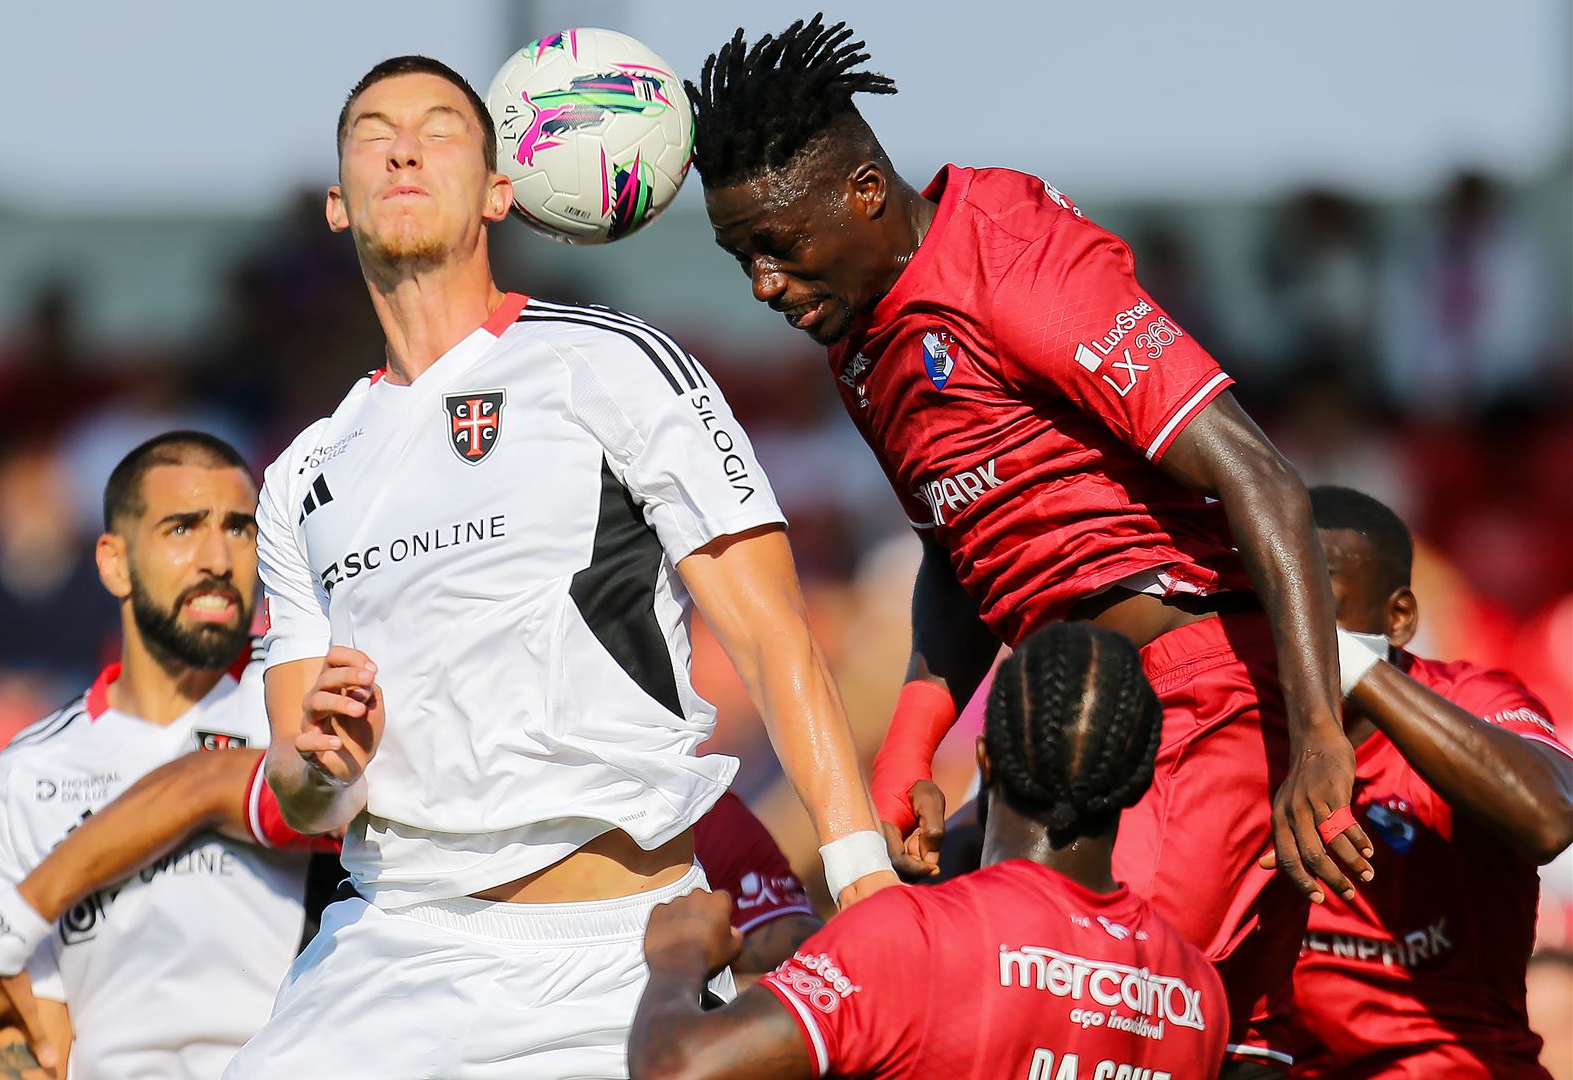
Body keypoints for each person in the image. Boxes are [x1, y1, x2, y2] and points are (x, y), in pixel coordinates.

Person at [684, 16, 1369, 1070]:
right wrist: (911, 743)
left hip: (1198, 701)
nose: (764, 285)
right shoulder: (860, 343)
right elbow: (958, 552)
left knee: (1059, 1003)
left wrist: (1321, 733)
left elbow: (1262, 478)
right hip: (1060, 739)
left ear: (864, 192)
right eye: (742, 261)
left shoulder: (1011, 255)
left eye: (779, 247)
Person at [224, 55, 897, 1078]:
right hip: (386, 949)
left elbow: (773, 639)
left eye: (439, 130)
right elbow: (304, 791)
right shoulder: (301, 477)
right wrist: (320, 767)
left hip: (612, 958)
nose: (404, 150)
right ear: (336, 202)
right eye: (374, 134)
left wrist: (864, 885)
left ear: (502, 190)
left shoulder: (614, 364)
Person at [629, 622, 1228, 1079]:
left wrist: (679, 955)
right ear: (1139, 781)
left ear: (985, 758)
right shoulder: (1199, 993)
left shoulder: (911, 938)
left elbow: (677, 1068)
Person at [0, 431, 341, 1079]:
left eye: (240, 529)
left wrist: (10, 921)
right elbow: (37, 1046)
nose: (218, 558)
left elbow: (242, 788)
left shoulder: (296, 695)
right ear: (114, 562)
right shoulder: (24, 776)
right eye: (182, 528)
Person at [0, 773, 817, 1056]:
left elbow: (801, 976)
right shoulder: (418, 782)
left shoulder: (697, 814)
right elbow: (205, 786)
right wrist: (2, 931)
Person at [1283, 486, 1573, 1077]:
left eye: (1315, 600)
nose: (1289, 628)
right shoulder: (1239, 717)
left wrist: (1342, 661)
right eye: (1275, 601)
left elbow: (1550, 818)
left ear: (1398, 619)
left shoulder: (1473, 700)